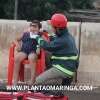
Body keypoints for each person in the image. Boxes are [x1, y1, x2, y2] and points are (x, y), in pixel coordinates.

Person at [33, 13, 79, 96]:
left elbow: (47, 46)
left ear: (57, 28)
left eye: (52, 26)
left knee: (38, 81)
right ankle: (56, 93)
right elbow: (54, 38)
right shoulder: (67, 36)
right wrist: (48, 30)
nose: (51, 27)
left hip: (63, 68)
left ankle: (40, 96)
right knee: (52, 85)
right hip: (69, 67)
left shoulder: (62, 40)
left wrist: (37, 37)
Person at [13, 20, 41, 85]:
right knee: (17, 58)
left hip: (33, 52)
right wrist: (17, 44)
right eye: (31, 26)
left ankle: (32, 80)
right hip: (24, 51)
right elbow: (15, 39)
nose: (33, 28)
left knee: (31, 58)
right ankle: (15, 81)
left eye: (35, 27)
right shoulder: (25, 34)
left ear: (39, 29)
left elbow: (44, 42)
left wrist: (39, 47)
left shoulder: (39, 35)